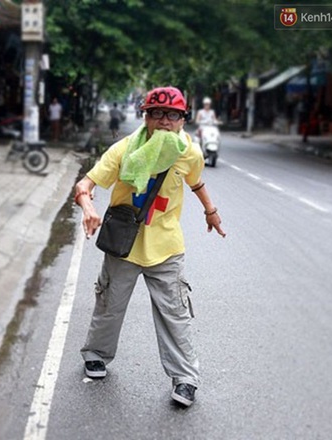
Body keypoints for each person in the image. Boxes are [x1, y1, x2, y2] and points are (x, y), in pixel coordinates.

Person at [74, 86, 226, 408]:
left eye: (173, 115)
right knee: (109, 304)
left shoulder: (189, 153)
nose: (164, 122)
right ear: (146, 116)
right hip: (123, 245)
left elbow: (196, 181)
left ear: (183, 119)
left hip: (167, 247)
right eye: (156, 113)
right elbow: (84, 185)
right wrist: (88, 208)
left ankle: (185, 378)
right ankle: (96, 354)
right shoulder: (125, 149)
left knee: (175, 314)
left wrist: (210, 211)